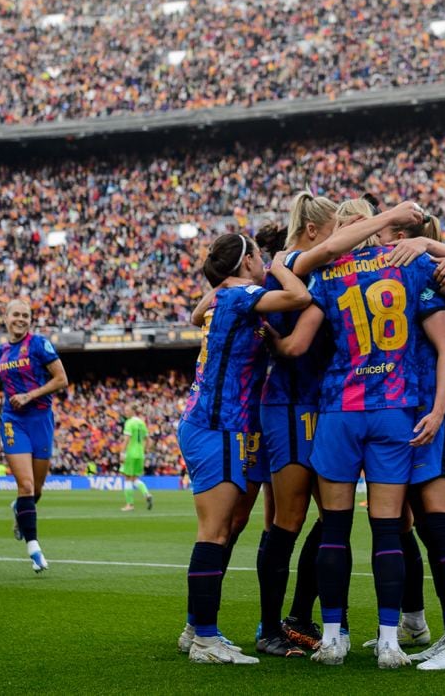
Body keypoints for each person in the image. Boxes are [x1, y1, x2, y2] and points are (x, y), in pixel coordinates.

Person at [274, 198, 445, 669]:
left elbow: (301, 336)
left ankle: (339, 637)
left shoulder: (330, 273)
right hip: (399, 408)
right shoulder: (411, 268)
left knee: (352, 526)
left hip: (362, 408)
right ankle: (398, 634)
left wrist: (271, 335)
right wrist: (444, 254)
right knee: (397, 526)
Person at [254, 194, 431, 658]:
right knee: (290, 521)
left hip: (333, 404)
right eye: (340, 227)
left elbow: (296, 343)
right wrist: (407, 229)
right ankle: (274, 625)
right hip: (304, 403)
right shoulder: (295, 261)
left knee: (327, 523)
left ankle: (331, 626)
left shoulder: (327, 275)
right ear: (318, 230)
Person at [177, 233, 310, 665]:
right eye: (258, 253)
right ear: (249, 260)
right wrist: (280, 267)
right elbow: (299, 295)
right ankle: (204, 639)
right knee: (214, 532)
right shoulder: (242, 294)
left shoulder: (225, 296)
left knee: (222, 527)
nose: (263, 259)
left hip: (215, 422)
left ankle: (197, 629)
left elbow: (198, 309)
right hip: (218, 424)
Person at [384, 212, 445, 669]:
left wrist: (437, 249)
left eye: (381, 232)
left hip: (439, 409)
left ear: (402, 238)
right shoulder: (395, 272)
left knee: (440, 524)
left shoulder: (429, 267)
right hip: (411, 410)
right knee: (421, 526)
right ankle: (444, 631)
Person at [0, 300, 69, 573]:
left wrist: (30, 395)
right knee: (27, 485)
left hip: (40, 419)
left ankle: (19, 509)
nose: (20, 319)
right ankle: (34, 548)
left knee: (36, 490)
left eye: (25, 315)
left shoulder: (40, 344)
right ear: (5, 319)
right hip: (13, 421)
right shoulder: (1, 353)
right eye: (15, 314)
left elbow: (61, 379)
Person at [120, 413, 153, 512]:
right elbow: (149, 441)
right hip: (140, 454)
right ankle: (146, 494)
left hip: (131, 453)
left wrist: (122, 453)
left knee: (127, 478)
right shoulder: (142, 424)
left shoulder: (129, 422)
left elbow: (126, 439)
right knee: (134, 479)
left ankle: (129, 504)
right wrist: (146, 450)